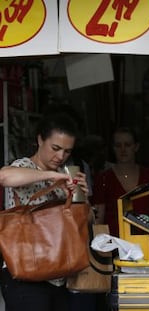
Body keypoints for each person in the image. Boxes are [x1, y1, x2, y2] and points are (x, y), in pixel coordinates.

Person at [0, 112, 90, 311]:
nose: (60, 157)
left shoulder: (65, 176)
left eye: (67, 151)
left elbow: (86, 222)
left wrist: (82, 197)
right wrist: (50, 176)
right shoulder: (25, 166)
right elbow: (4, 176)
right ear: (40, 139)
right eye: (55, 148)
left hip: (59, 274)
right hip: (25, 273)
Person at [92, 127, 149, 237]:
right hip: (114, 246)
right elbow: (99, 219)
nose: (123, 149)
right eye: (118, 145)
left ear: (136, 147)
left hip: (147, 243)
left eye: (128, 145)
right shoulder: (103, 179)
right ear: (113, 148)